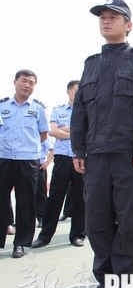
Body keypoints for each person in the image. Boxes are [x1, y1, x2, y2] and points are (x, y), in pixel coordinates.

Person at [71, 0, 133, 288]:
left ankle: (126, 285)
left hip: (125, 156)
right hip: (95, 156)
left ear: (128, 24)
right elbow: (79, 110)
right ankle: (105, 284)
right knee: (96, 220)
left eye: (113, 17)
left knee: (125, 222)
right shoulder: (91, 63)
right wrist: (78, 149)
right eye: (103, 17)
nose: (106, 21)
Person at [0, 69, 49, 258]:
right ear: (15, 82)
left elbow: (43, 134)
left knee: (25, 202)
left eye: (31, 82)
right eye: (24, 81)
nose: (27, 85)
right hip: (4, 158)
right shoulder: (3, 106)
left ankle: (20, 243)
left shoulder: (37, 109)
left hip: (28, 160)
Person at [32, 80, 86, 248]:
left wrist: (67, 130)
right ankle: (45, 236)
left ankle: (77, 235)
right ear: (69, 91)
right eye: (76, 91)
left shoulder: (88, 111)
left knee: (79, 198)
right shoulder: (58, 110)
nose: (78, 94)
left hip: (82, 158)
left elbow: (88, 133)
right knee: (55, 197)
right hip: (62, 158)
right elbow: (53, 131)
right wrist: (75, 132)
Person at [36, 137, 54, 228]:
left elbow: (51, 150)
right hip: (26, 163)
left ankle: (42, 218)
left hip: (40, 166)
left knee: (41, 193)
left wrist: (47, 163)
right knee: (25, 194)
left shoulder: (42, 135)